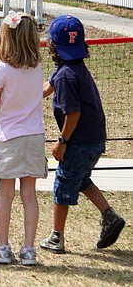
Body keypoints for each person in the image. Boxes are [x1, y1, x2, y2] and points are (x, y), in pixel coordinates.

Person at [39, 15, 126, 254]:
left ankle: (57, 238)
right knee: (80, 179)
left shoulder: (66, 75)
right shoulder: (70, 68)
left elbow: (73, 114)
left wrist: (62, 141)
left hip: (79, 141)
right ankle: (110, 216)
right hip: (94, 139)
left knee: (63, 183)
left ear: (52, 46)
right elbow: (47, 88)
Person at [0, 11, 46, 266]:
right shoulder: (37, 67)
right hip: (34, 136)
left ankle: (3, 247)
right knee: (30, 195)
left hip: (9, 138)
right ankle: (28, 248)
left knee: (6, 194)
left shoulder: (2, 69)